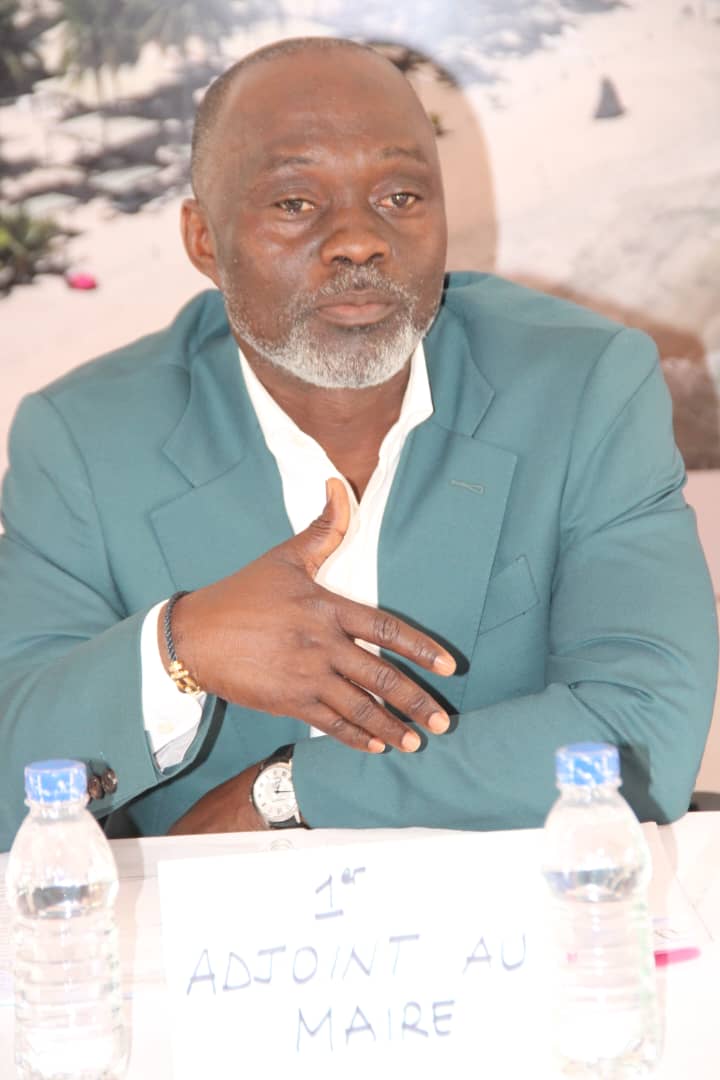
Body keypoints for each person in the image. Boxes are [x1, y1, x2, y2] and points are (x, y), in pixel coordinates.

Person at [0, 38, 716, 850]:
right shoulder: (86, 440)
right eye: (295, 203)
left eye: (400, 196)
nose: (358, 241)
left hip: (515, 910)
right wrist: (179, 648)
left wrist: (288, 793)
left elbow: (642, 736)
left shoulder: (581, 387)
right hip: (212, 927)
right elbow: (10, 784)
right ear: (204, 241)